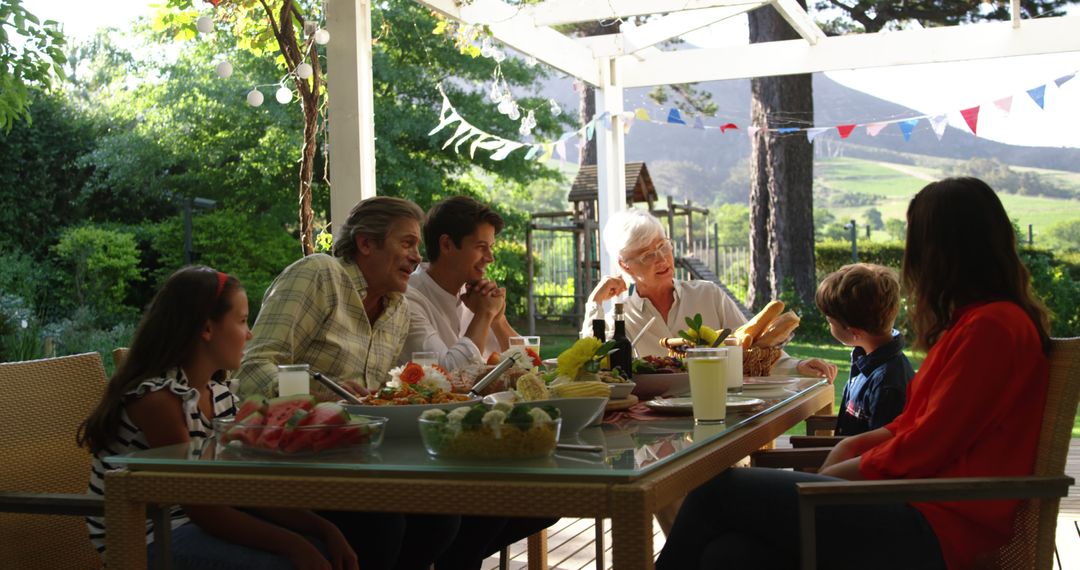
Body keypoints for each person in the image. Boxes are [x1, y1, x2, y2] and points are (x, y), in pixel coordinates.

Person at [655, 177, 1052, 570]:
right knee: (727, 556)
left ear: (944, 250)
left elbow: (931, 445)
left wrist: (846, 475)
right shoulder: (977, 324)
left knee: (719, 490)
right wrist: (847, 449)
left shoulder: (992, 329)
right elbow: (916, 426)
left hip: (935, 524)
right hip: (913, 504)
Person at [78, 266, 359, 569]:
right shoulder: (160, 400)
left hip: (197, 519)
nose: (249, 333)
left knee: (332, 545)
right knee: (291, 563)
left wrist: (323, 529)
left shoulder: (220, 394)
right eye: (241, 321)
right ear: (207, 329)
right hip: (146, 534)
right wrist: (294, 544)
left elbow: (245, 489)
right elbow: (201, 508)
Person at [582, 209, 837, 381]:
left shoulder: (708, 295)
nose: (662, 259)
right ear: (625, 264)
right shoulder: (620, 317)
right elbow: (588, 363)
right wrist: (594, 305)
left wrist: (797, 366)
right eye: (648, 255)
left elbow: (752, 351)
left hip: (719, 415)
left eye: (663, 246)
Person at [235, 196, 425, 398]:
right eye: (407, 243)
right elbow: (250, 368)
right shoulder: (319, 274)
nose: (417, 257)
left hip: (362, 429)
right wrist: (319, 397)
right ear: (366, 243)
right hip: (295, 428)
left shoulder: (399, 309)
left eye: (417, 246)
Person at [402, 196, 518, 370]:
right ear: (447, 245)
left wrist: (498, 320)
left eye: (491, 247)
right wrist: (484, 314)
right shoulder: (408, 299)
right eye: (480, 247)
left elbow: (527, 364)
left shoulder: (475, 296)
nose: (490, 258)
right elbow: (446, 374)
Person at [815, 263, 914, 435]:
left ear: (855, 332)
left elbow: (880, 452)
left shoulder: (888, 386)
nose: (828, 325)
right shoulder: (866, 360)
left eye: (830, 322)